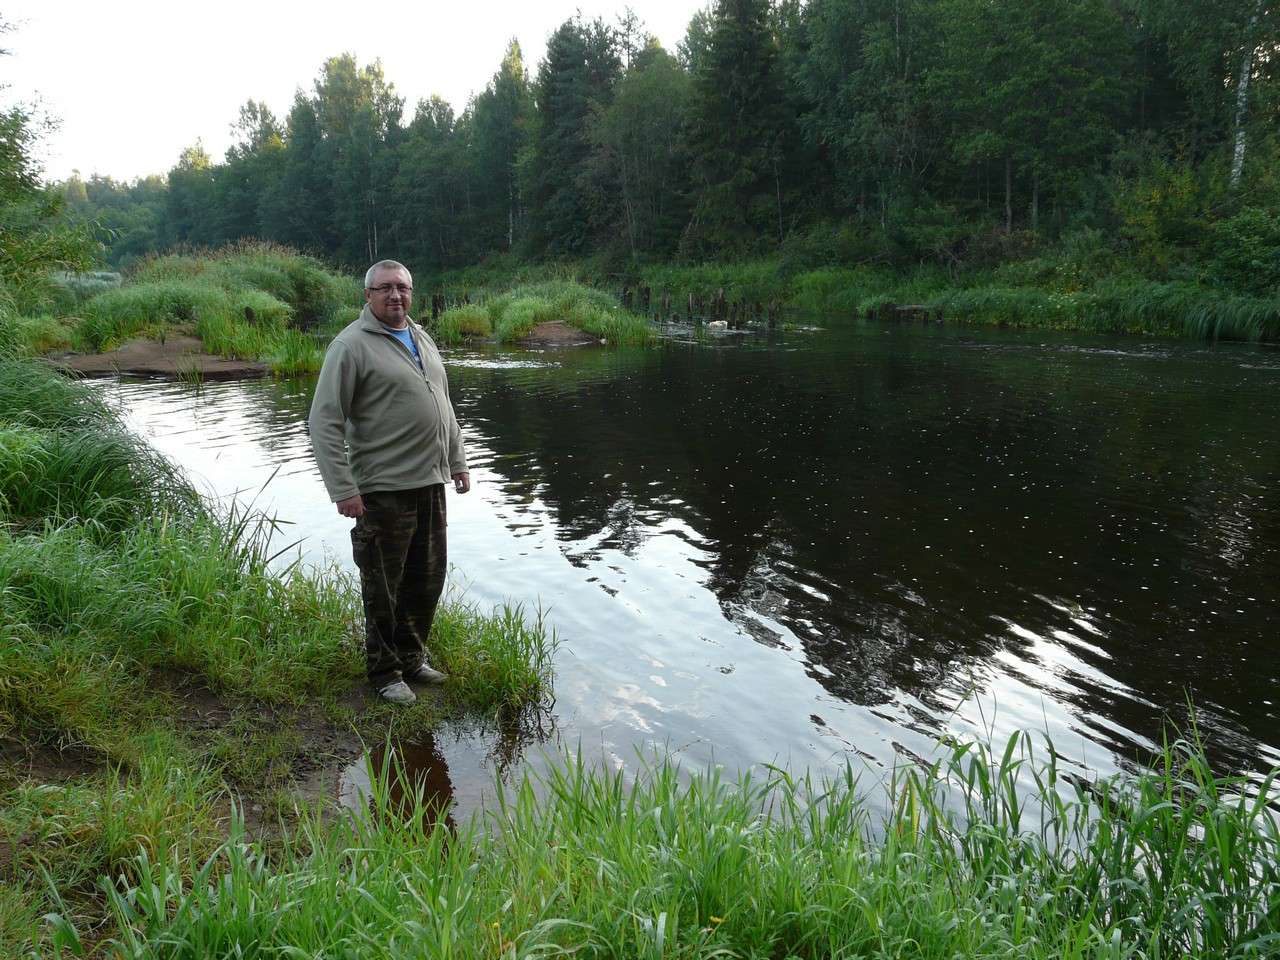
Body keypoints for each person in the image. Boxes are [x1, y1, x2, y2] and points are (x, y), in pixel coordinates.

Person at [309, 259, 470, 704]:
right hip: (382, 490)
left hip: (430, 483)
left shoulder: (421, 337)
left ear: (411, 292)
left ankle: (412, 658)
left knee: (427, 577)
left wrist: (457, 460)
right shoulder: (351, 346)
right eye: (385, 288)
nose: (395, 295)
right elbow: (324, 422)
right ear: (368, 295)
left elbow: (444, 404)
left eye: (402, 287)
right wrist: (343, 488)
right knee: (383, 585)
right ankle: (384, 673)